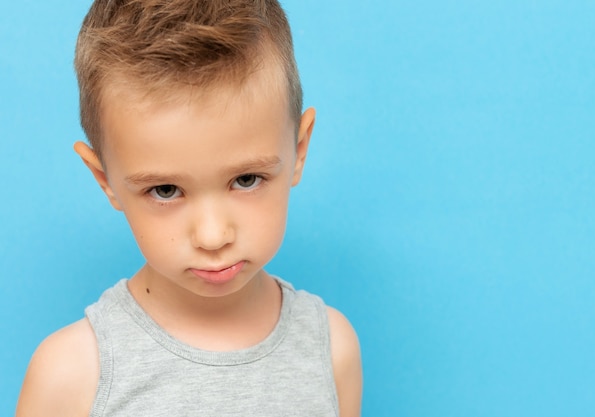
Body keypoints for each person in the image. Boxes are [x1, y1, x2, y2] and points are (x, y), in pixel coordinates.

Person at [15, 0, 362, 416]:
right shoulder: (71, 375)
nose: (213, 236)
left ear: (299, 150)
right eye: (165, 190)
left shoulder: (330, 348)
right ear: (104, 179)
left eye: (247, 180)